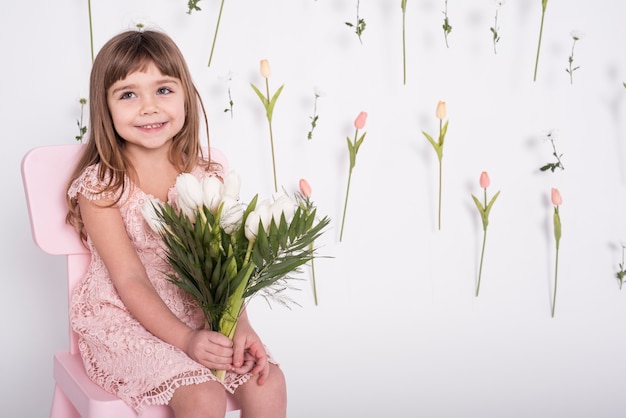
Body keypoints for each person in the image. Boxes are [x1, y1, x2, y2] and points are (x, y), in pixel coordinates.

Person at [65, 29, 287, 418]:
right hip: (126, 319)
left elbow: (226, 268)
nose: (149, 107)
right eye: (128, 94)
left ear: (186, 95)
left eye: (163, 90)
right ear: (106, 107)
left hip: (200, 310)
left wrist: (241, 326)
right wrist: (186, 340)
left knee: (268, 381)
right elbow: (129, 279)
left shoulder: (206, 177)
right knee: (203, 395)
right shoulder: (102, 187)